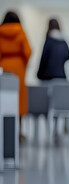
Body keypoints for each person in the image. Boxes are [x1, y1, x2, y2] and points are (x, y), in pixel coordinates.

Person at [0, 11, 32, 139]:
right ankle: (19, 131)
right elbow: (28, 52)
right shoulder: (21, 32)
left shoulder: (0, 32)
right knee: (20, 98)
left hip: (4, 66)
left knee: (3, 97)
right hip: (18, 68)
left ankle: (3, 131)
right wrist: (23, 64)